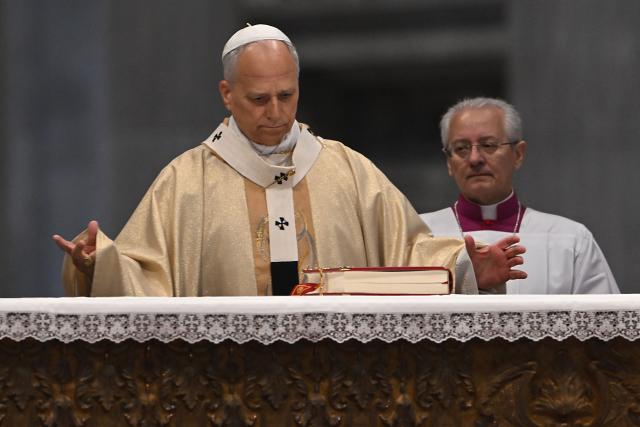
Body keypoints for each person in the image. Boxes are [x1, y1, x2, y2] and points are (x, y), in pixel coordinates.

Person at [53, 25, 526, 297]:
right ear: (226, 94)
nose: (276, 113)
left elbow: (408, 254)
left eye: (287, 95)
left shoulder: (346, 170)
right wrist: (99, 265)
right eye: (259, 99)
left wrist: (467, 268)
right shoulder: (188, 181)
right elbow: (148, 277)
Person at [421, 97, 619, 294]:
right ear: (449, 162)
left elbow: (606, 322)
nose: (474, 159)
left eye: (488, 145)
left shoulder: (571, 239)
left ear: (518, 154)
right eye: (461, 148)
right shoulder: (420, 237)